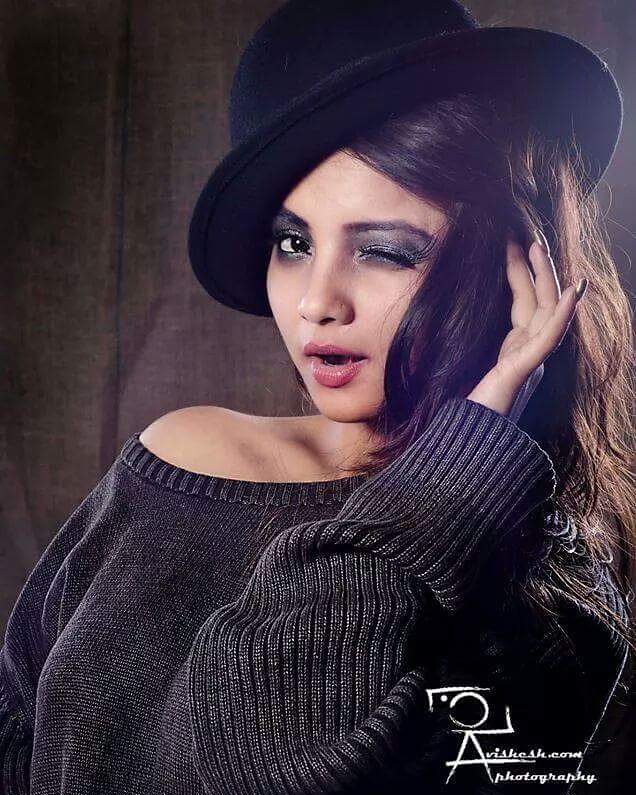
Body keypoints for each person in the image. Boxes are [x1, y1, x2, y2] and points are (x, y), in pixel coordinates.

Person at [1, 1, 633, 793]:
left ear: (504, 269)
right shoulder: (180, 455)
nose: (316, 302)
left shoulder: (547, 582)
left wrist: (456, 482)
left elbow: (267, 754)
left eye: (383, 250)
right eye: (293, 242)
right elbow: (18, 725)